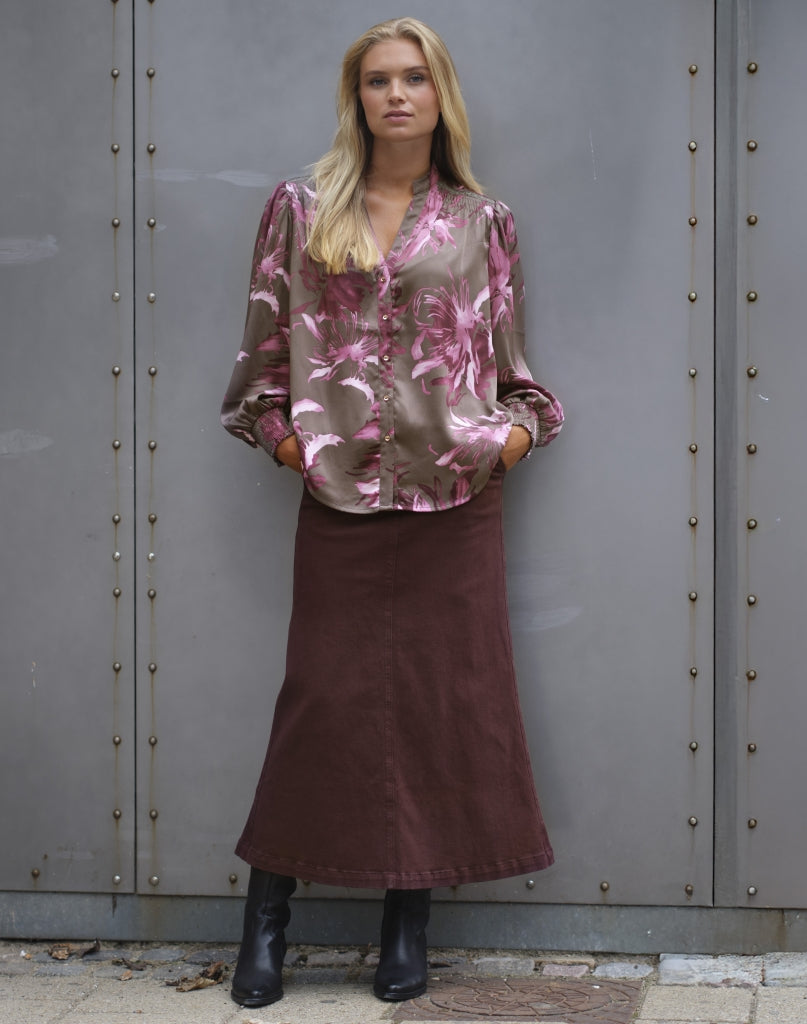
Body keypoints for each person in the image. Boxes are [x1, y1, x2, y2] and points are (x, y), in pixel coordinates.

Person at [220, 16, 563, 1009]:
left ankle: (407, 922)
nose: (396, 95)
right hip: (340, 497)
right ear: (357, 97)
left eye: (414, 78)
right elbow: (260, 363)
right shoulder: (299, 208)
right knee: (320, 704)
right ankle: (267, 915)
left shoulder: (482, 221)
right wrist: (292, 442)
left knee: (439, 706)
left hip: (455, 499)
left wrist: (509, 439)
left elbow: (513, 369)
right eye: (378, 80)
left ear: (439, 93)